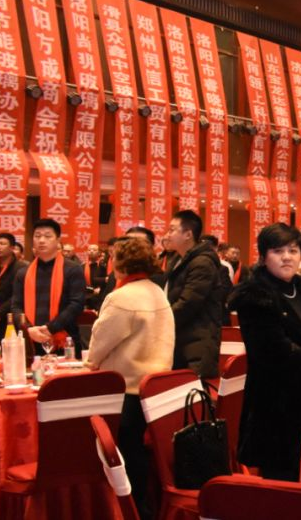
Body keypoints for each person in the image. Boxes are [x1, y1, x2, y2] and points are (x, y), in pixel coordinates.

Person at [228, 223, 301, 481]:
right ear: (263, 255)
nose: (286, 257)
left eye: (293, 250)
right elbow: (273, 350)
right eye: (278, 251)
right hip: (277, 406)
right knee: (284, 484)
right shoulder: (255, 296)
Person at [86, 237, 174, 518]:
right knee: (139, 451)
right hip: (155, 384)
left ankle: (126, 510)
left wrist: (90, 364)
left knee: (125, 452)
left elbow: (101, 341)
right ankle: (142, 509)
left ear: (120, 263)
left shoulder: (122, 297)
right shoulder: (157, 291)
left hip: (126, 386)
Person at [163, 210, 226, 378]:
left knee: (194, 391)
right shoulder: (178, 260)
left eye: (172, 230)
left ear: (188, 234)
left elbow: (187, 304)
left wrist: (160, 321)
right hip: (181, 337)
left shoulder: (202, 263)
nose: (167, 235)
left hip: (197, 341)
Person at [12, 219, 87, 356]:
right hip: (30, 340)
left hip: (64, 339)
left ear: (58, 241)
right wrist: (28, 329)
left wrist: (50, 328)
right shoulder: (23, 272)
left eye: (47, 236)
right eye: (37, 236)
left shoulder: (72, 269)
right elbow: (16, 306)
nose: (41, 240)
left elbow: (77, 304)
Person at [0, 233, 26, 340]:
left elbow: (18, 295)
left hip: (10, 318)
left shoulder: (21, 268)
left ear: (12, 248)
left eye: (2, 244)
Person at [84, 244, 109, 310]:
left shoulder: (103, 266)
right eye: (89, 250)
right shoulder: (82, 266)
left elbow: (108, 281)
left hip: (100, 296)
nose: (91, 251)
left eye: (94, 250)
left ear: (99, 253)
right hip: (86, 296)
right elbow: (81, 283)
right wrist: (92, 290)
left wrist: (100, 289)